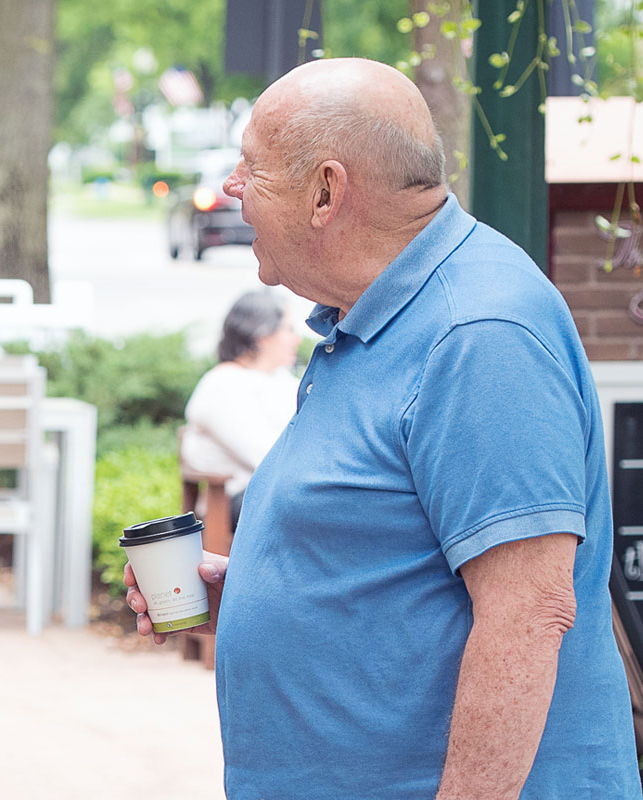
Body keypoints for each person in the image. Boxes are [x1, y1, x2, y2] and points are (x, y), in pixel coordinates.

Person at [127, 57, 642, 799]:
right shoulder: (373, 317)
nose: (231, 187)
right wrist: (246, 598)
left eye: (253, 167)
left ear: (327, 192)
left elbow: (528, 613)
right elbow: (396, 564)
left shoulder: (478, 332)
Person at [180, 289, 300, 525]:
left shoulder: (280, 378)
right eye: (289, 329)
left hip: (277, 492)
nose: (297, 338)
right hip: (238, 501)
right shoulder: (222, 385)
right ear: (261, 336)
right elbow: (265, 456)